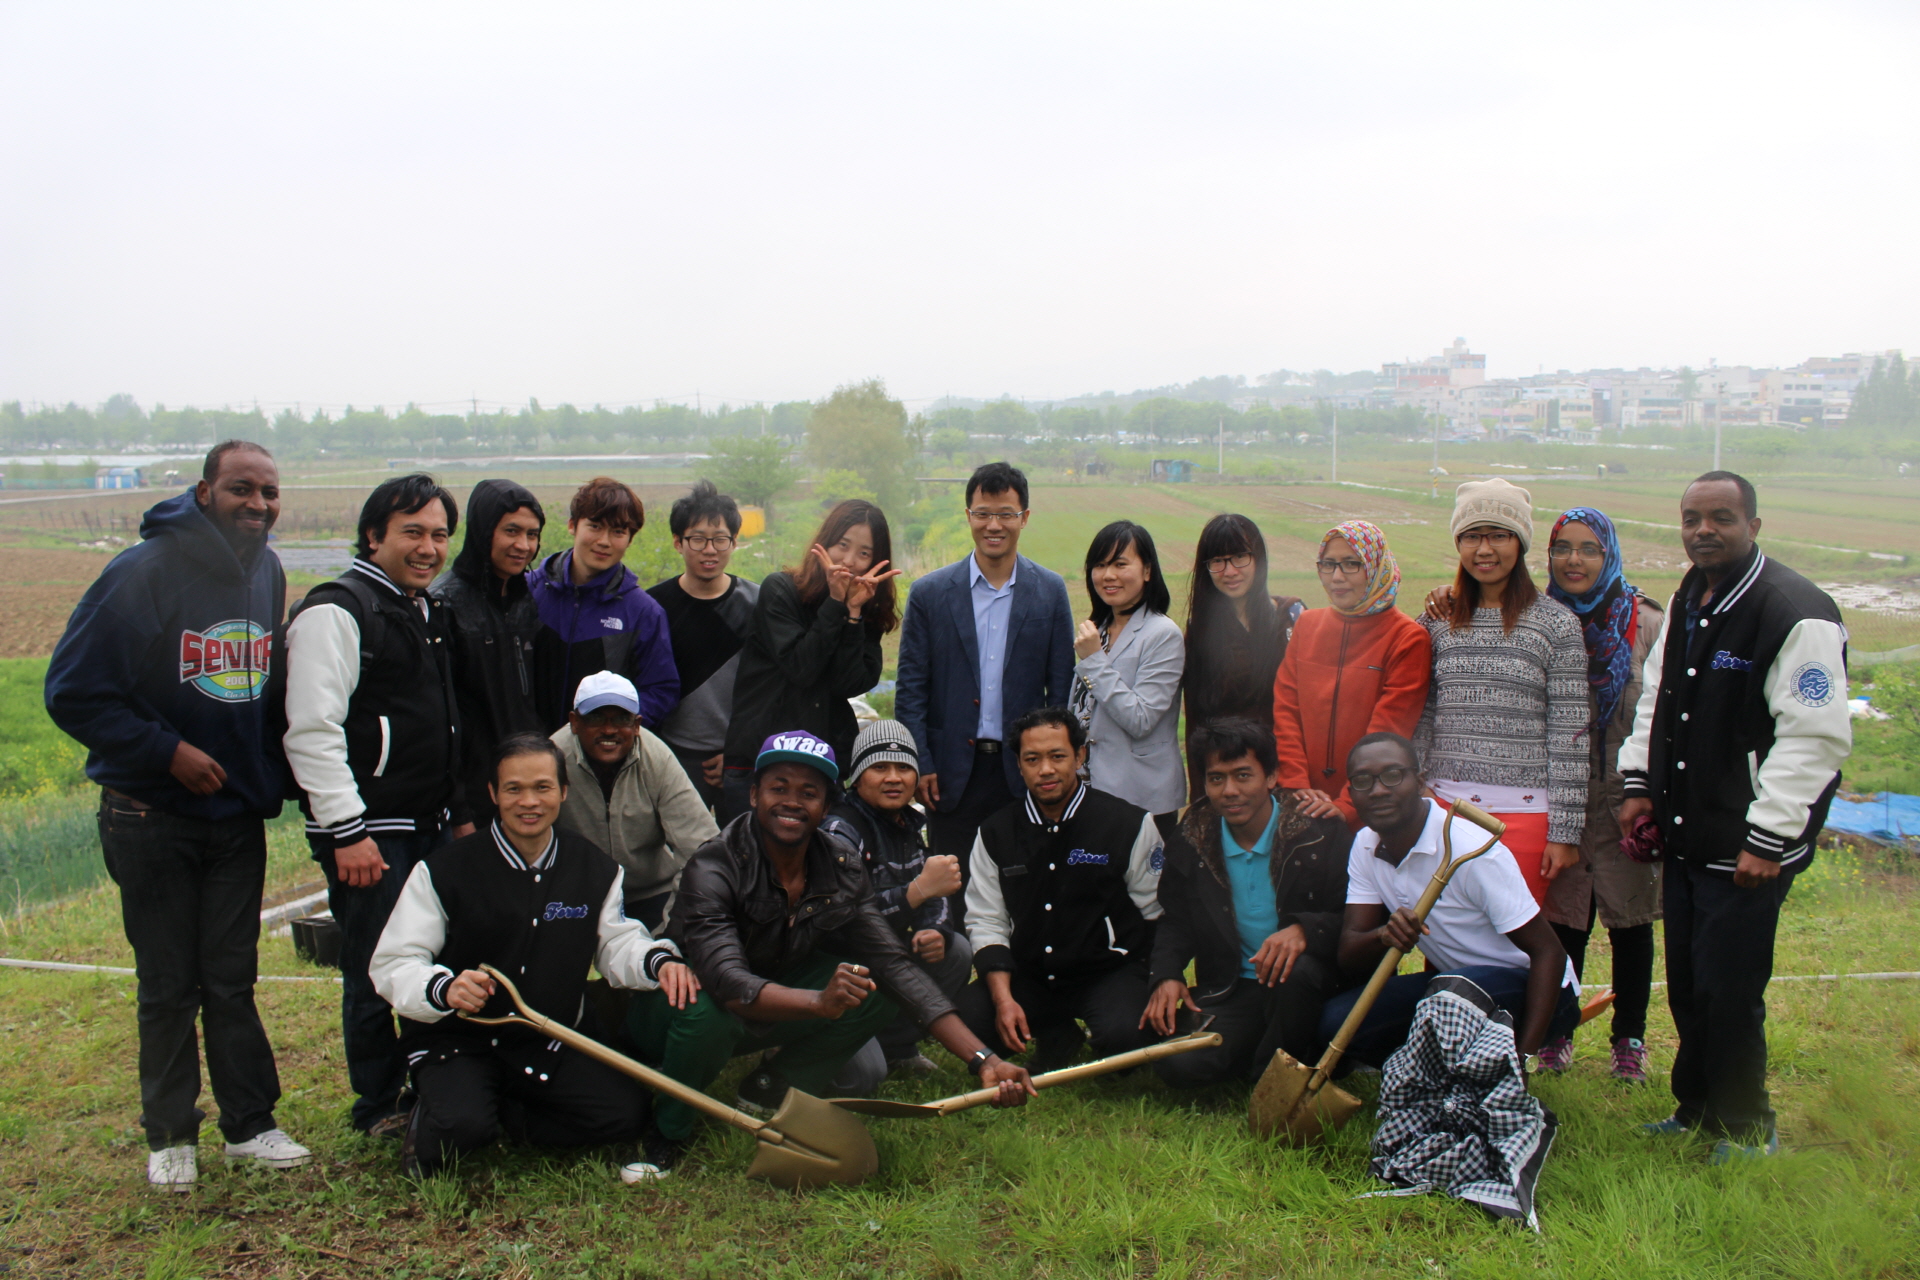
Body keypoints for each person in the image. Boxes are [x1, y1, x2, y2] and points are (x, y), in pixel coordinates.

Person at [45, 441, 312, 1191]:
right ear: (203, 493)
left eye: (269, 491)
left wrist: (275, 778)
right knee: (168, 983)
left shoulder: (267, 570)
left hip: (234, 822)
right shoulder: (144, 573)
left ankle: (250, 1125)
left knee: (231, 977)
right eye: (241, 490)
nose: (258, 504)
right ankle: (169, 1136)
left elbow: (261, 688)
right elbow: (73, 690)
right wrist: (167, 753)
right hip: (149, 814)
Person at [628, 731, 1035, 1170]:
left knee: (875, 985)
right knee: (707, 1016)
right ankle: (666, 1133)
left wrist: (984, 1060)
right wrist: (819, 1003)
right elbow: (728, 982)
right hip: (686, 1004)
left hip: (772, 992)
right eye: (778, 788)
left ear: (825, 806)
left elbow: (893, 964)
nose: (791, 802)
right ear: (753, 795)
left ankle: (770, 1086)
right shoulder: (714, 865)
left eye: (809, 792)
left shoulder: (839, 864)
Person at [1618, 471, 1850, 1162]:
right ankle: (1698, 1109)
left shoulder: (1795, 613)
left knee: (1731, 992)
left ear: (1754, 523)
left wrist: (1768, 837)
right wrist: (1638, 783)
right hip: (1689, 834)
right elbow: (1656, 697)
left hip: (1746, 846)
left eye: (1721, 517)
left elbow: (1813, 739)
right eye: (1692, 517)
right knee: (1689, 983)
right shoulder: (1693, 594)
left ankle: (1748, 1128)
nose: (1703, 530)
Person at [370, 733, 698, 1183]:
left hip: (549, 1038)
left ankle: (505, 1117)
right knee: (454, 1134)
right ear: (493, 794)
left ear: (563, 792)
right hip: (459, 1041)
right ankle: (443, 1109)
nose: (529, 801)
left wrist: (657, 961)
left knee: (624, 1114)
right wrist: (444, 988)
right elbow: (393, 963)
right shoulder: (443, 870)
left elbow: (616, 945)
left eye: (542, 787)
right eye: (514, 789)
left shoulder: (594, 869)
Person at [284, 473, 475, 1139]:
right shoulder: (337, 611)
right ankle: (379, 1103)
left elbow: (444, 723)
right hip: (372, 831)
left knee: (436, 957)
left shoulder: (426, 609)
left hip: (432, 825)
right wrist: (345, 829)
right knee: (375, 965)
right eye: (412, 533)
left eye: (439, 534)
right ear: (374, 536)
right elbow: (312, 728)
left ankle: (435, 1082)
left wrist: (459, 810)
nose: (428, 547)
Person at [1321, 734, 1581, 1069]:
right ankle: (1441, 1063)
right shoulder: (1365, 845)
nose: (1378, 790)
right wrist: (1384, 935)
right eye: (1362, 781)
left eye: (1392, 775)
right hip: (1454, 992)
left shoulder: (1471, 850)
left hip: (1537, 992)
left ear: (1419, 781)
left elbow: (1549, 952)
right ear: (1352, 792)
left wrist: (1524, 1058)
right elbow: (1350, 952)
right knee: (1337, 1022)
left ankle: (1491, 1063)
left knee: (1450, 999)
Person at [895, 461, 1075, 922]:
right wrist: (923, 762)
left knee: (1025, 889)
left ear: (1024, 518)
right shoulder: (931, 594)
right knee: (951, 893)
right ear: (968, 515)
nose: (993, 525)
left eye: (1005, 514)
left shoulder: (1049, 592)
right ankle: (955, 982)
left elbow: (1061, 689)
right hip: (951, 775)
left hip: (1024, 770)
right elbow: (912, 689)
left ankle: (1016, 986)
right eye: (982, 513)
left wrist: (1052, 761)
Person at [1143, 719, 1354, 1087]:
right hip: (1234, 986)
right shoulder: (1192, 837)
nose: (1229, 791)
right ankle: (1273, 1048)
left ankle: (1270, 1082)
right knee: (1179, 1067)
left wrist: (1305, 929)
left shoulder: (1318, 831)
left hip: (1307, 983)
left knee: (1296, 973)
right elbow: (1174, 919)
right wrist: (1167, 974)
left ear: (1272, 776)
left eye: (1243, 775)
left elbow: (1356, 914)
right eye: (1216, 778)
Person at [1531, 508, 1666, 1082]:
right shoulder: (1534, 619)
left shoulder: (1649, 624)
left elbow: (1665, 714)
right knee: (1563, 922)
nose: (1575, 560)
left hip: (1627, 800)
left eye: (1589, 548)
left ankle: (1628, 1039)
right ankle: (1556, 1032)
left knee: (1632, 922)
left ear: (1608, 554)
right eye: (1563, 548)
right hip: (1559, 796)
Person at [959, 707, 1165, 1071]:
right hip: (1032, 975)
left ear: (1080, 756)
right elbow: (986, 920)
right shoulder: (994, 833)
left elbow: (1157, 914)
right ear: (1019, 765)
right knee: (969, 1023)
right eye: (1032, 759)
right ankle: (1056, 1032)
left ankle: (1110, 1029)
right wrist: (1004, 1000)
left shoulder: (1130, 825)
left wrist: (1158, 978)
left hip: (1108, 974)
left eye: (1058, 756)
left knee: (1126, 1043)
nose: (1046, 770)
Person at [1415, 479, 1586, 904]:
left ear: (1521, 542)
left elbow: (1570, 732)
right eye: (1472, 536)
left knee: (1515, 952)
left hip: (1525, 818)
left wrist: (1564, 831)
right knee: (1448, 944)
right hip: (1443, 812)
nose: (1484, 549)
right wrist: (1415, 789)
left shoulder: (1557, 624)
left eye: (1499, 535)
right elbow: (1421, 713)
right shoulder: (1437, 620)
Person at [718, 499, 900, 822]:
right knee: (748, 867)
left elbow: (848, 683)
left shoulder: (865, 609)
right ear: (825, 542)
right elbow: (801, 668)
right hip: (759, 764)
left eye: (864, 553)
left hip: (821, 767)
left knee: (819, 868)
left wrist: (854, 615)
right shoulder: (780, 590)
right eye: (842, 545)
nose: (849, 561)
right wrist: (835, 604)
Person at [820, 719, 972, 1077]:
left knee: (956, 951)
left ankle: (897, 1047)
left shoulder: (909, 824)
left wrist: (934, 930)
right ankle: (819, 1041)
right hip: (838, 965)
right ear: (857, 777)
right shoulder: (841, 830)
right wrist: (914, 893)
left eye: (904, 767)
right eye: (879, 767)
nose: (893, 778)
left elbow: (936, 896)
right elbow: (846, 921)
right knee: (862, 1077)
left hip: (885, 957)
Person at [1273, 520, 1431, 826]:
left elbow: (1388, 732)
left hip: (1370, 807)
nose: (1336, 577)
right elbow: (1286, 708)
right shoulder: (1307, 626)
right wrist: (1295, 784)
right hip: (1300, 802)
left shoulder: (1407, 638)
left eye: (1351, 564)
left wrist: (1347, 805)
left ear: (1375, 566)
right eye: (1328, 564)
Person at [551, 671, 718, 931]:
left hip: (650, 893)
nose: (609, 729)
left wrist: (671, 928)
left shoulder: (658, 758)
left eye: (621, 719)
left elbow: (703, 850)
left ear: (637, 724)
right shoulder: (551, 759)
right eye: (595, 718)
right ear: (574, 722)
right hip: (575, 898)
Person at [429, 479, 547, 820]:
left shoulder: (526, 600)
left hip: (526, 777)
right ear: (483, 530)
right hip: (474, 787)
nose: (523, 545)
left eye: (532, 534)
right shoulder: (445, 604)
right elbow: (443, 718)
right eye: (511, 531)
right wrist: (458, 806)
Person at [528, 476, 679, 733]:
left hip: (601, 756)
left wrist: (613, 729)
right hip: (529, 752)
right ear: (572, 525)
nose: (604, 541)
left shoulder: (642, 612)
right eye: (595, 526)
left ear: (630, 539)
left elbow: (660, 690)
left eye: (618, 532)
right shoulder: (529, 590)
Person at [647, 480, 760, 808]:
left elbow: (771, 689)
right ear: (677, 543)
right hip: (672, 756)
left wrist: (742, 749)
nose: (709, 550)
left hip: (741, 758)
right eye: (697, 539)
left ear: (734, 543)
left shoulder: (758, 605)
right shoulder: (653, 608)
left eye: (720, 539)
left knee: (743, 851)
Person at [1069, 520, 1186, 823]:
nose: (1108, 575)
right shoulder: (1099, 631)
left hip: (1141, 798)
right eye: (1100, 565)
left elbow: (1141, 718)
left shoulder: (1162, 634)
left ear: (1147, 571)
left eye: (1121, 564)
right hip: (1089, 792)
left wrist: (1093, 660)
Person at [1181, 514, 1303, 802]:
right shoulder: (1199, 633)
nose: (1229, 570)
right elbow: (1196, 723)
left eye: (1239, 557)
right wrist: (1202, 798)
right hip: (1232, 779)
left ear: (1258, 557)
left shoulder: (1292, 619)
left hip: (1288, 770)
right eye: (1217, 561)